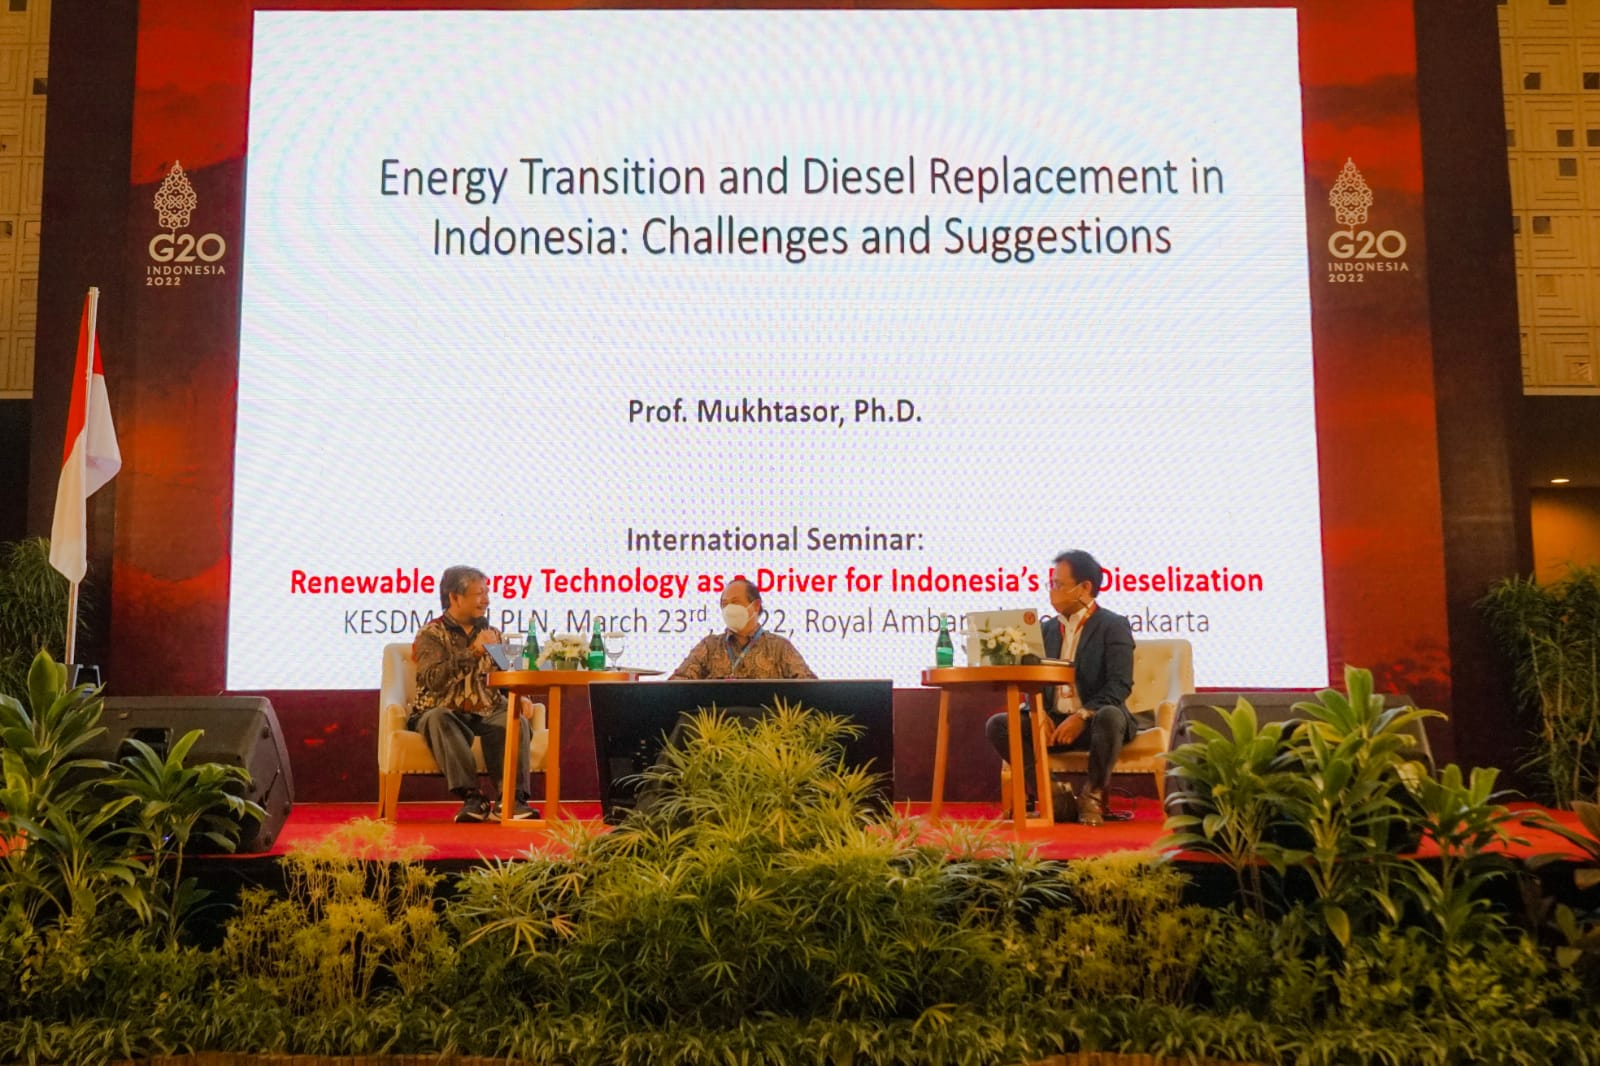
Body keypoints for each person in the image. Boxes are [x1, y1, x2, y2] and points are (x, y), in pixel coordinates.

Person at [984, 549, 1136, 826]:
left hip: (1095, 724)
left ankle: (1092, 796)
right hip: (1053, 723)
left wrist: (1082, 715)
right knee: (999, 724)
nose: (1051, 591)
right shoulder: (1047, 630)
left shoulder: (1113, 626)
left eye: (1058, 584)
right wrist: (1038, 712)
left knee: (1110, 715)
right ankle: (1053, 794)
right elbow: (1032, 679)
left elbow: (1120, 684)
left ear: (1085, 588)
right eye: (1050, 584)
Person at [408, 565, 536, 823]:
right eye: (479, 594)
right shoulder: (431, 634)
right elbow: (434, 681)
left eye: (487, 593)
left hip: (486, 710)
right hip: (444, 711)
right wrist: (474, 652)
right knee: (437, 718)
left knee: (514, 719)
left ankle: (511, 800)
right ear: (454, 597)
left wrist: (521, 695)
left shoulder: (492, 634)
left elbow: (506, 674)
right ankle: (473, 798)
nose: (486, 600)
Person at [669, 577, 816, 680]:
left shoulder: (779, 647)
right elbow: (677, 684)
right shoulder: (709, 646)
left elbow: (809, 687)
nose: (728, 608)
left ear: (756, 606)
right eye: (724, 604)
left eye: (735, 602)